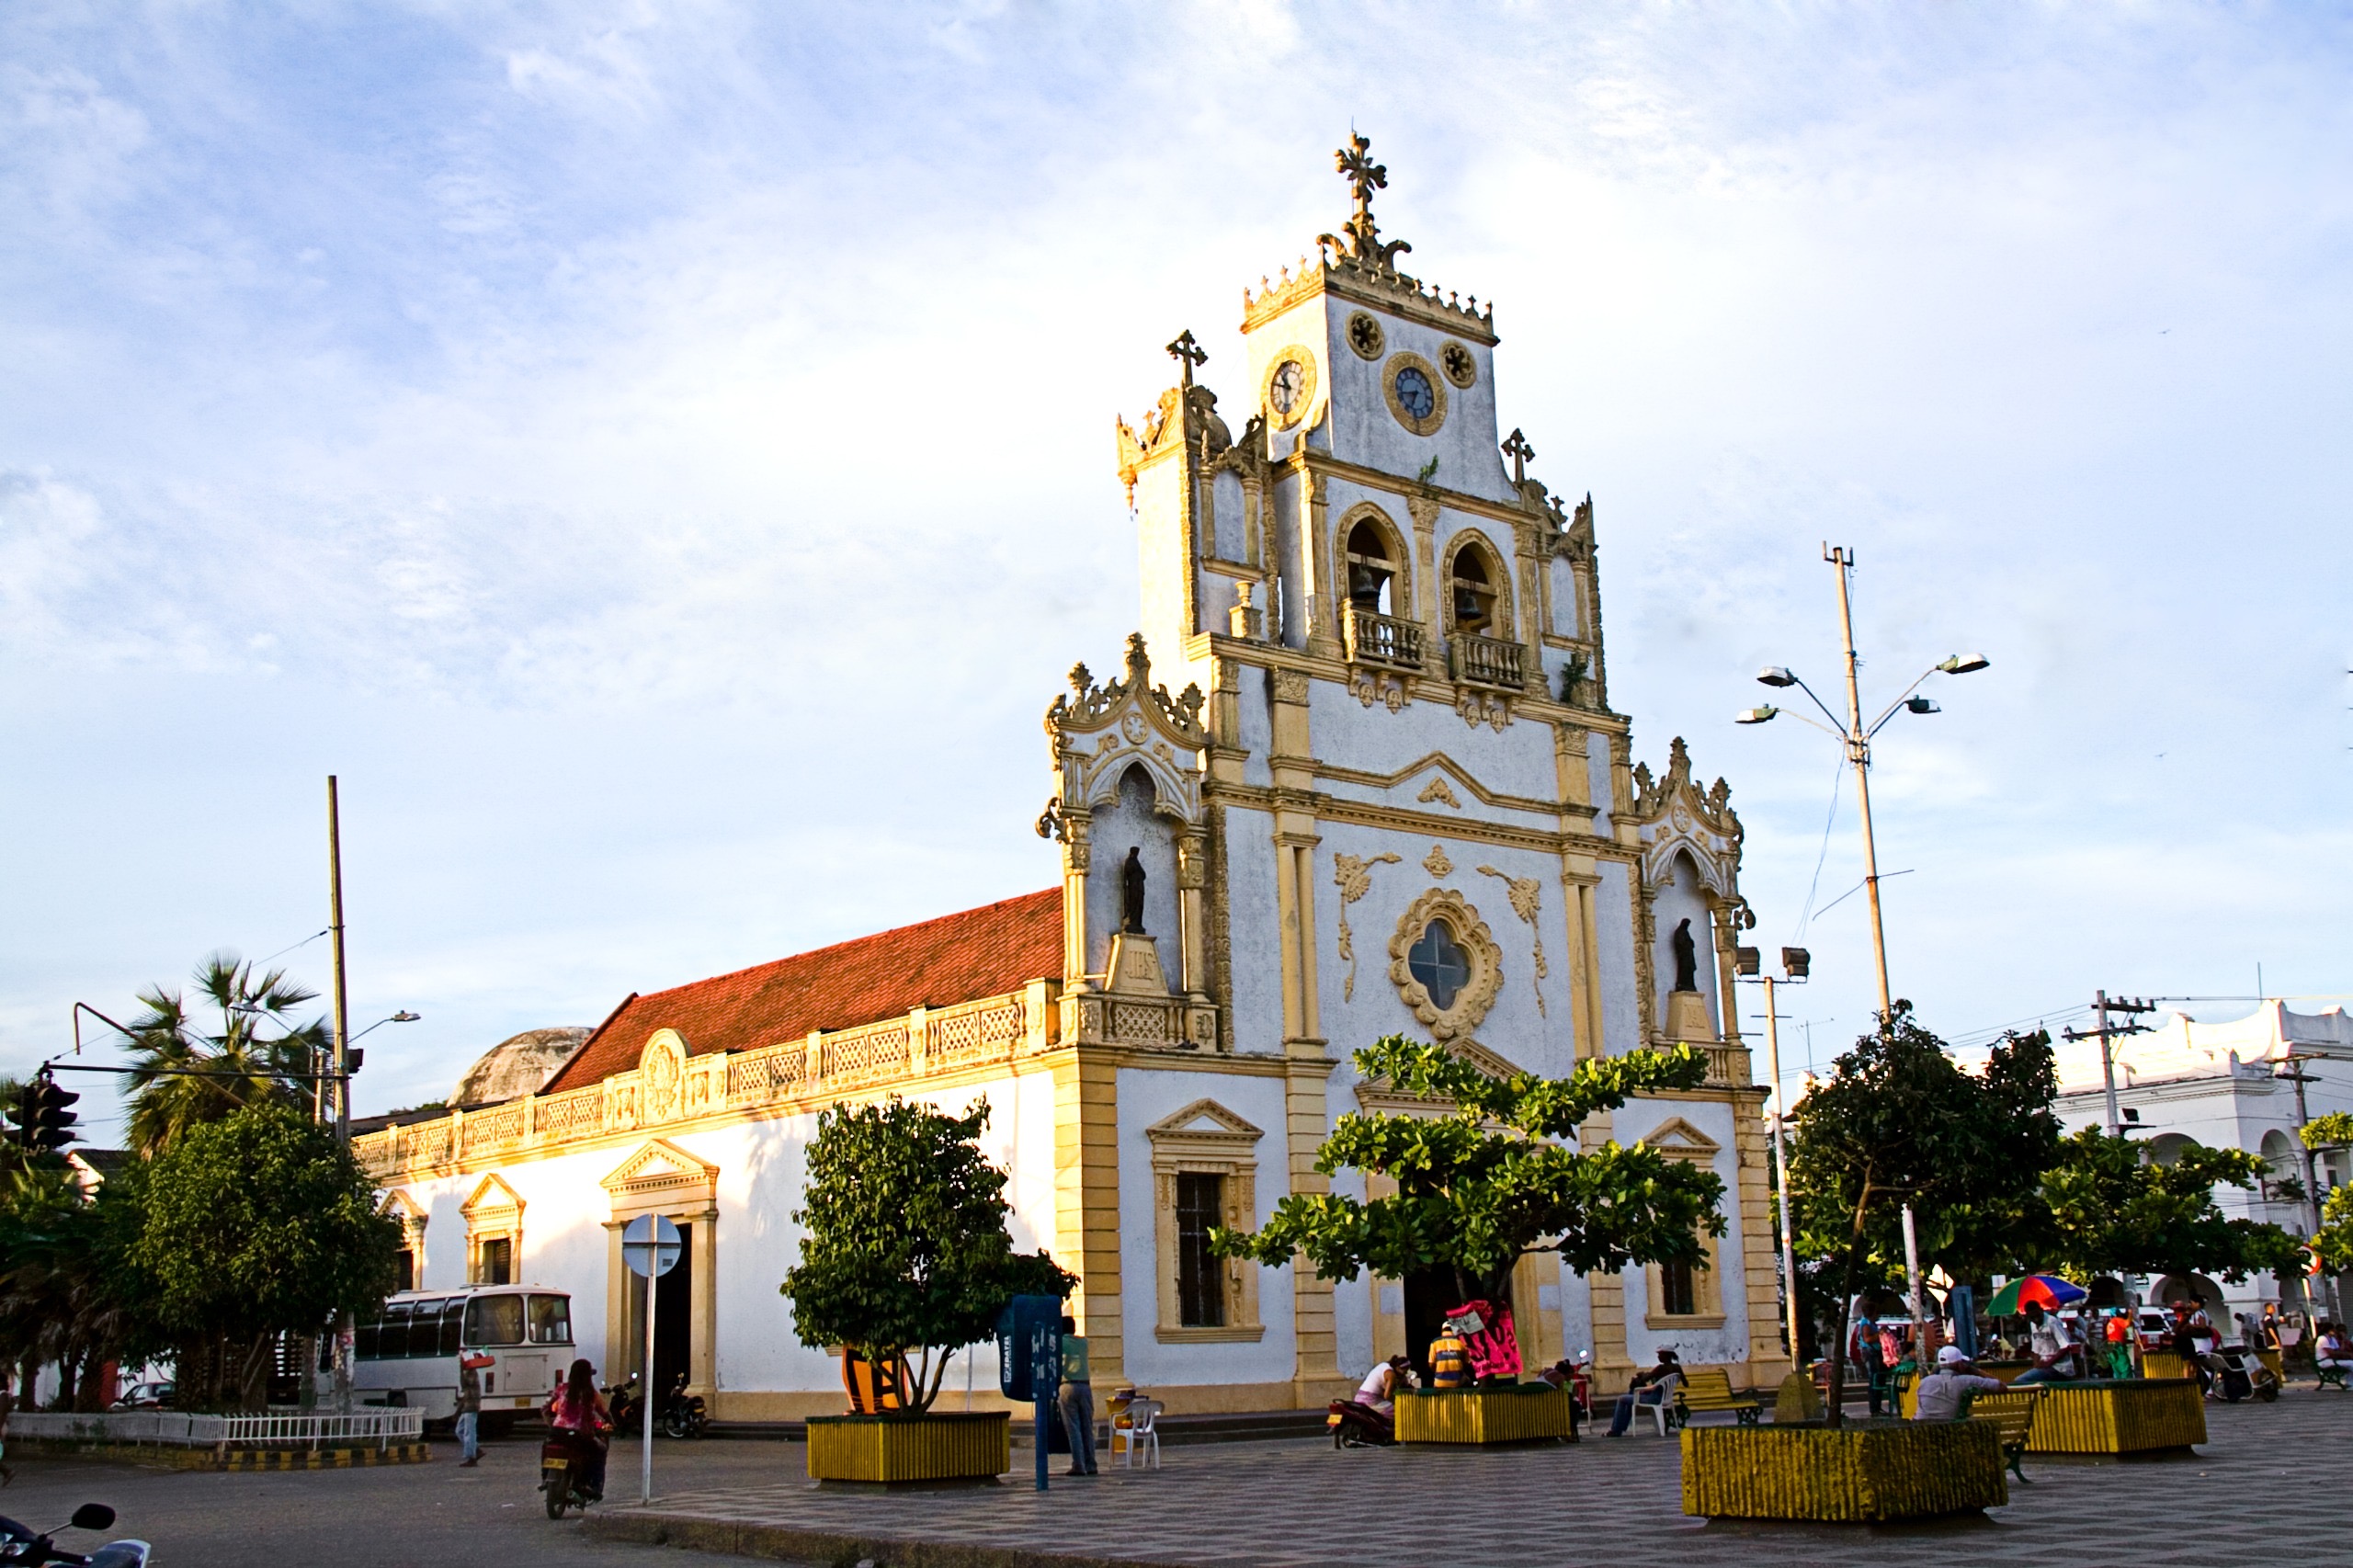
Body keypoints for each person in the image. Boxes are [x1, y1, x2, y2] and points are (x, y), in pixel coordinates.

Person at [545, 1358, 612, 1500]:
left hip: (557, 1432)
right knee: (601, 1451)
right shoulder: (590, 1393)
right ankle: (592, 1486)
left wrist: (551, 1425)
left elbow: (545, 1409)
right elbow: (604, 1412)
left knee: (548, 1447)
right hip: (580, 1435)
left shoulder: (562, 1388)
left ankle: (545, 1478)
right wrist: (612, 1423)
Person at [1914, 1345, 2006, 1422]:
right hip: (1947, 1431)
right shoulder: (1967, 1380)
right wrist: (1975, 1371)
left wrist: (1934, 1370)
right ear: (1959, 1364)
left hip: (1921, 1430)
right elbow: (2002, 1386)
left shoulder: (1924, 1382)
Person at [1604, 1348, 1681, 1437]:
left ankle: (1616, 1429)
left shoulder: (1660, 1368)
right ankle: (1620, 1427)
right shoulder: (1677, 1368)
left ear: (1666, 1356)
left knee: (1622, 1399)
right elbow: (1685, 1383)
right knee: (1632, 1393)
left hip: (1654, 1398)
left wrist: (1640, 1375)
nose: (1658, 1356)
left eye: (1660, 1355)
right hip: (1666, 1397)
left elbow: (1645, 1379)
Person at [1057, 1314, 1097, 1476]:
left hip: (1067, 1386)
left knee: (1073, 1427)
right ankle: (1091, 1464)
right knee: (1087, 1426)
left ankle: (1078, 1465)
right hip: (1085, 1386)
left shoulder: (1059, 1342)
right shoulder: (1083, 1342)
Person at [2013, 1301, 2083, 1385]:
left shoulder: (2052, 1321)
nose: (2036, 1319)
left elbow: (2066, 1347)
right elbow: (2036, 1350)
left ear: (2042, 1311)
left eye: (2038, 1316)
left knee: (2020, 1381)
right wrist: (2036, 1365)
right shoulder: (2033, 1325)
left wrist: (2048, 1363)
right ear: (2028, 1317)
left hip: (2060, 1368)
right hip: (2045, 1367)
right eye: (2032, 1317)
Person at [455, 1351, 492, 1467]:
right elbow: (465, 1393)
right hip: (467, 1407)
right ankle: (476, 1450)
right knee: (459, 1431)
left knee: (469, 1433)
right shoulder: (468, 1372)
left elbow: (466, 1384)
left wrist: (461, 1370)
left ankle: (471, 1457)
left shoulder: (472, 1372)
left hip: (472, 1406)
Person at [1354, 1354, 1412, 1418]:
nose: (1406, 1373)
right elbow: (1387, 1396)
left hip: (1360, 1396)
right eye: (1405, 1371)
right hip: (1371, 1400)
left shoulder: (1384, 1365)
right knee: (1400, 1409)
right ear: (1398, 1368)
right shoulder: (1391, 1374)